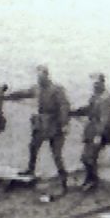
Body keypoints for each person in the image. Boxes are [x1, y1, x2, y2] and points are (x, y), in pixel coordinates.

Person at [7, 65, 71, 193]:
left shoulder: (57, 89)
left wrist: (64, 124)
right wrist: (9, 96)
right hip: (42, 124)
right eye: (38, 75)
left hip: (55, 124)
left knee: (56, 154)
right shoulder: (37, 88)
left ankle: (63, 179)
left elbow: (64, 106)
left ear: (47, 75)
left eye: (41, 75)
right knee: (33, 146)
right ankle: (30, 171)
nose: (39, 78)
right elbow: (24, 93)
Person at [77, 73, 110, 192]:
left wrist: (99, 135)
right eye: (93, 84)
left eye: (96, 83)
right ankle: (91, 179)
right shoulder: (96, 96)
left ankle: (92, 181)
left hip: (99, 131)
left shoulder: (104, 98)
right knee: (88, 157)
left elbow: (104, 119)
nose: (94, 86)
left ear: (102, 83)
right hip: (92, 129)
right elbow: (90, 108)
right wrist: (77, 111)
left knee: (88, 157)